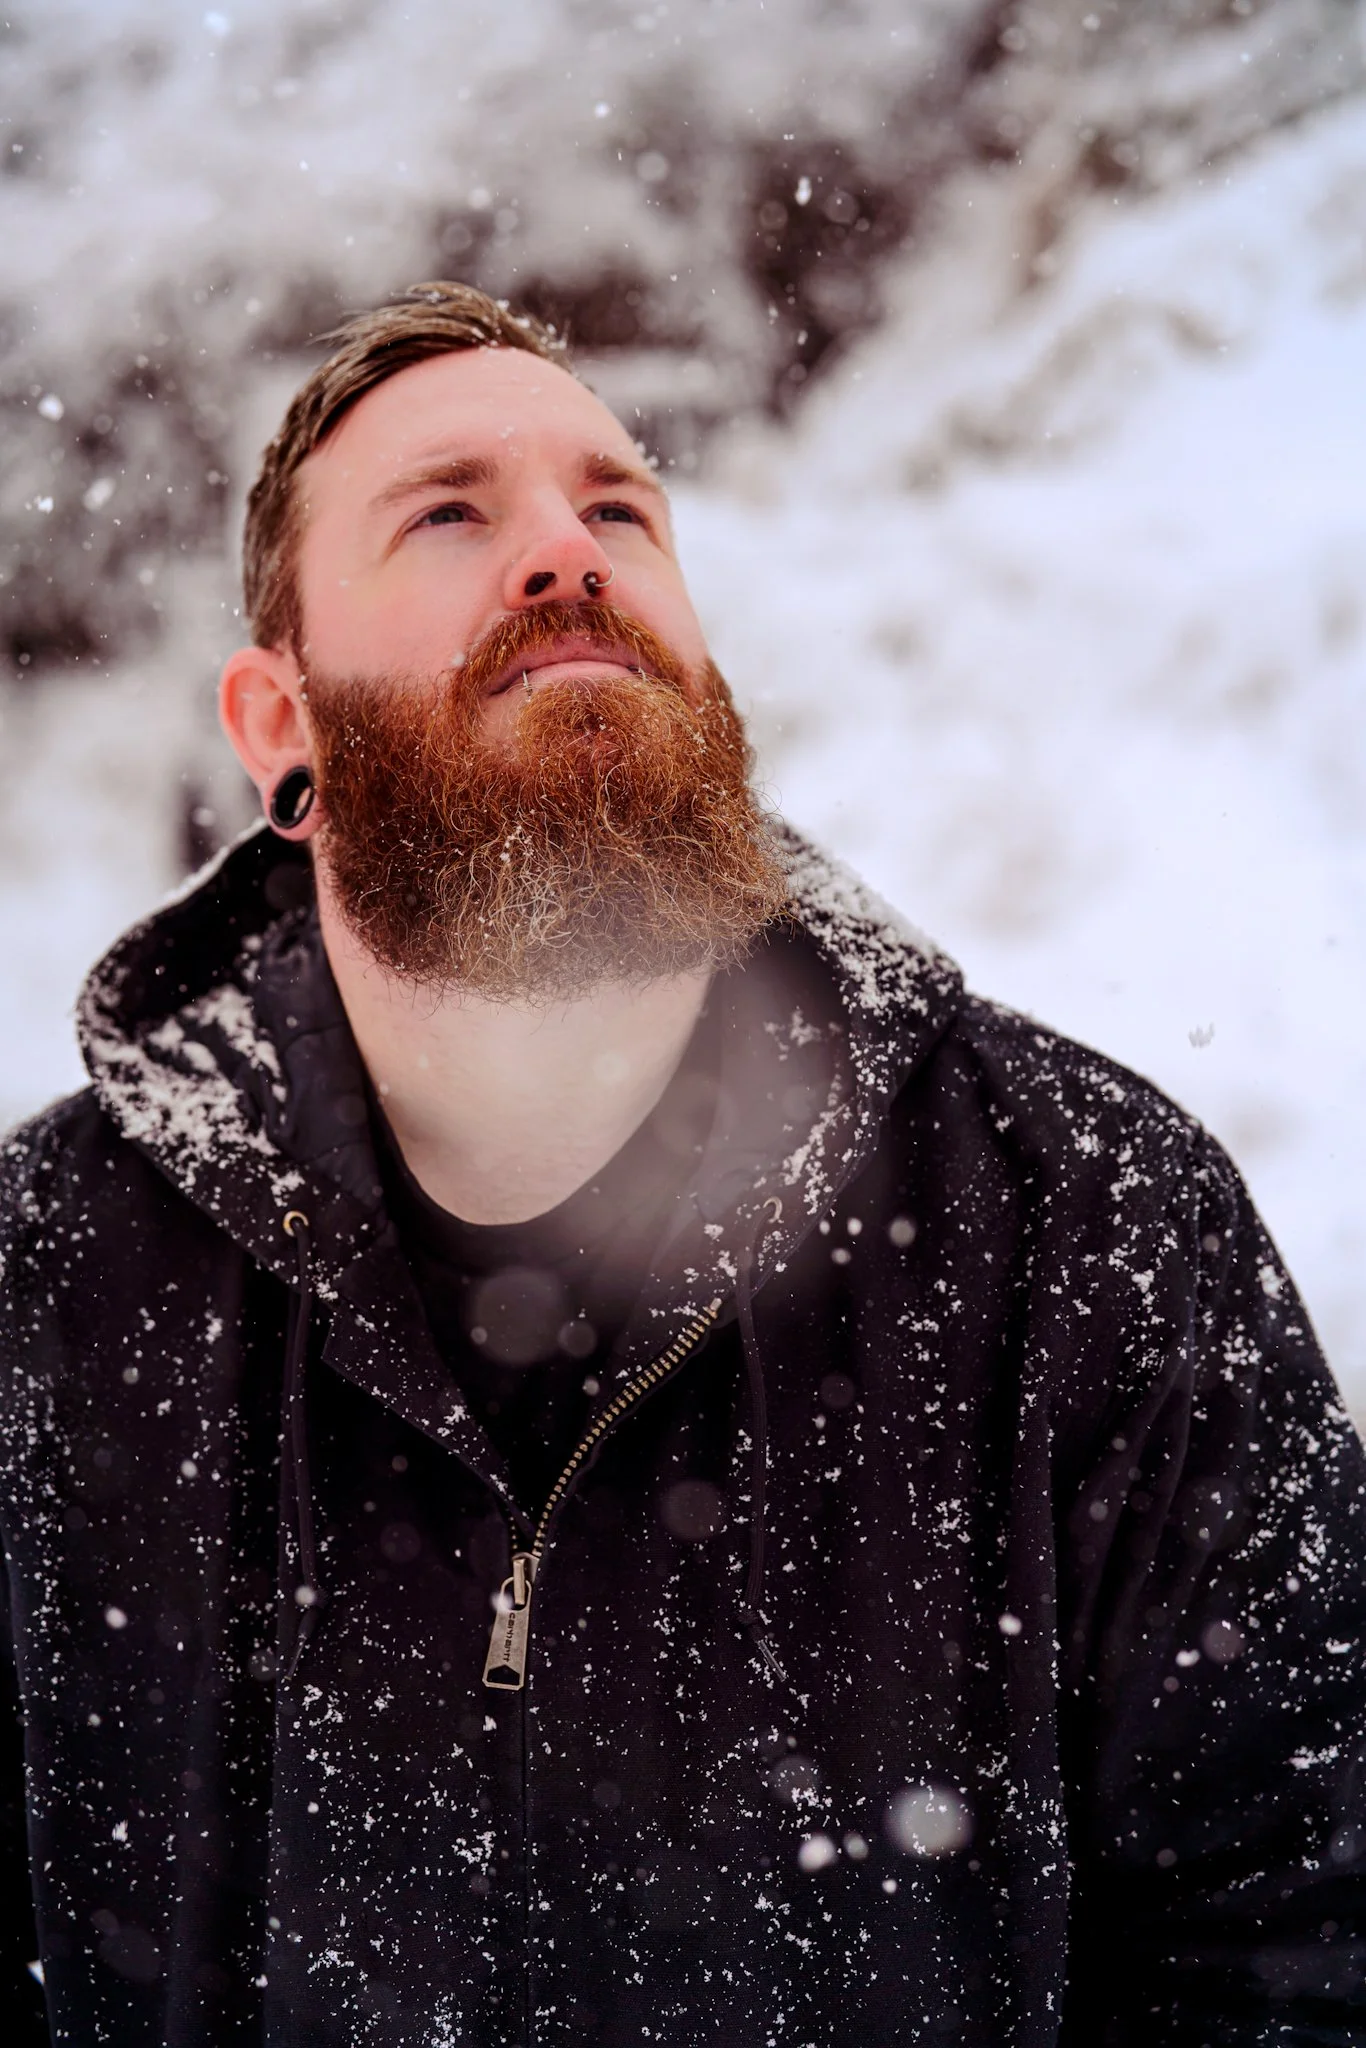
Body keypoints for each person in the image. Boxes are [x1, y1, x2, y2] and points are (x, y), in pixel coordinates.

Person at [1, 280, 1363, 2048]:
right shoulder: (45, 1282)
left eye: (618, 509)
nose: (566, 554)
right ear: (282, 727)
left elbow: (1299, 1950)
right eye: (448, 513)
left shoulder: (1087, 1219)